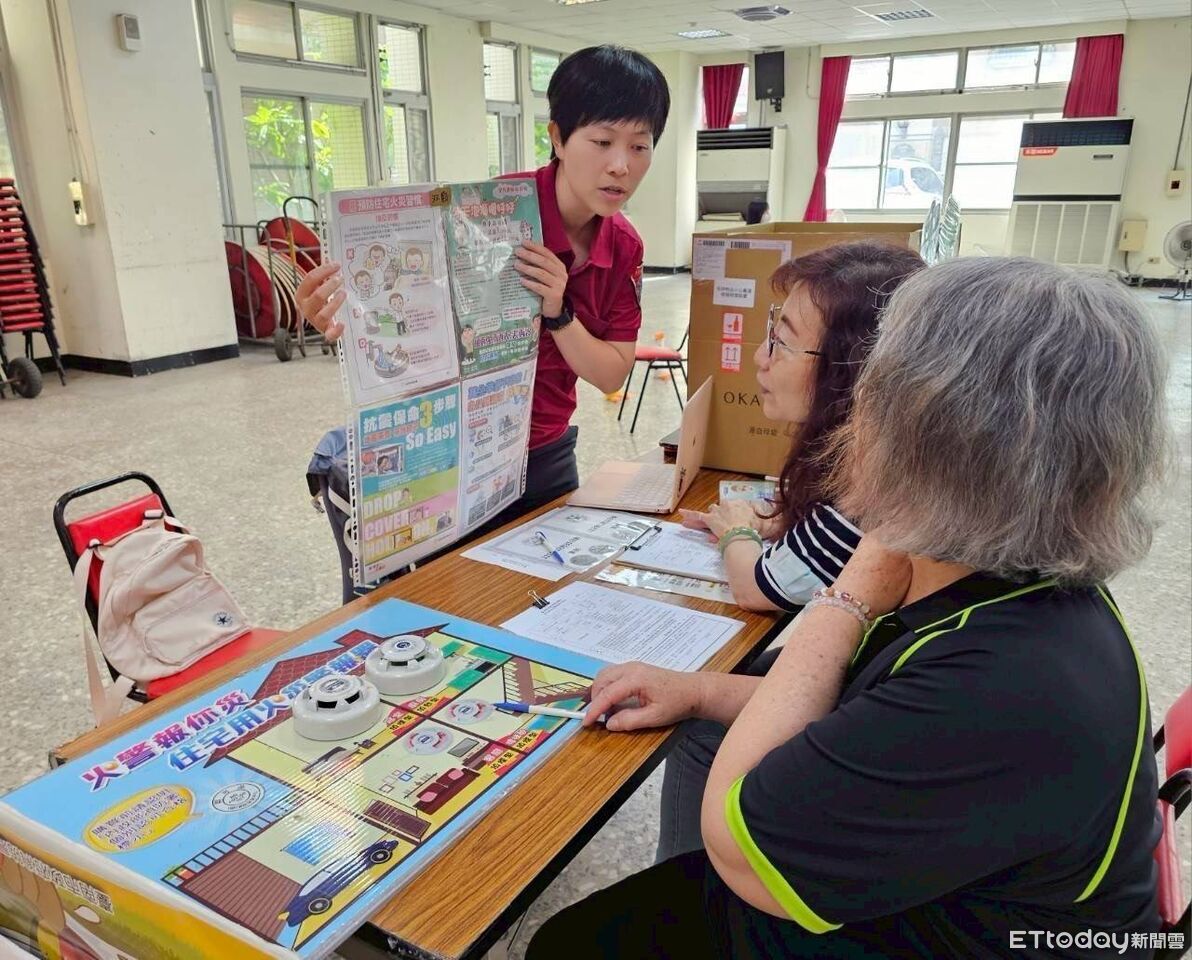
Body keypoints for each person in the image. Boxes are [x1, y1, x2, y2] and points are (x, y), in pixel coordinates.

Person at [527, 257, 1167, 960]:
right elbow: (865, 715)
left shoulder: (1000, 684)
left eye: (872, 392)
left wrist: (852, 591)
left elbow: (737, 840)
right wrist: (701, 690)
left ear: (934, 440)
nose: (850, 412)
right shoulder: (1002, 581)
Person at [297, 45, 670, 527]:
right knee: (436, 598)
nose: (621, 165)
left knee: (552, 592)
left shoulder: (624, 246)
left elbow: (612, 373)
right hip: (451, 452)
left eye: (639, 146)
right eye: (602, 142)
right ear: (557, 138)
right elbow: (416, 321)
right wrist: (348, 317)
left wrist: (558, 312)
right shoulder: (489, 214)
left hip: (546, 454)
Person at [656, 241, 923, 864]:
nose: (758, 359)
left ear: (854, 369)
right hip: (871, 686)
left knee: (705, 722)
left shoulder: (873, 485)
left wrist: (736, 534)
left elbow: (766, 590)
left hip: (867, 713)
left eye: (778, 342)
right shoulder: (858, 454)